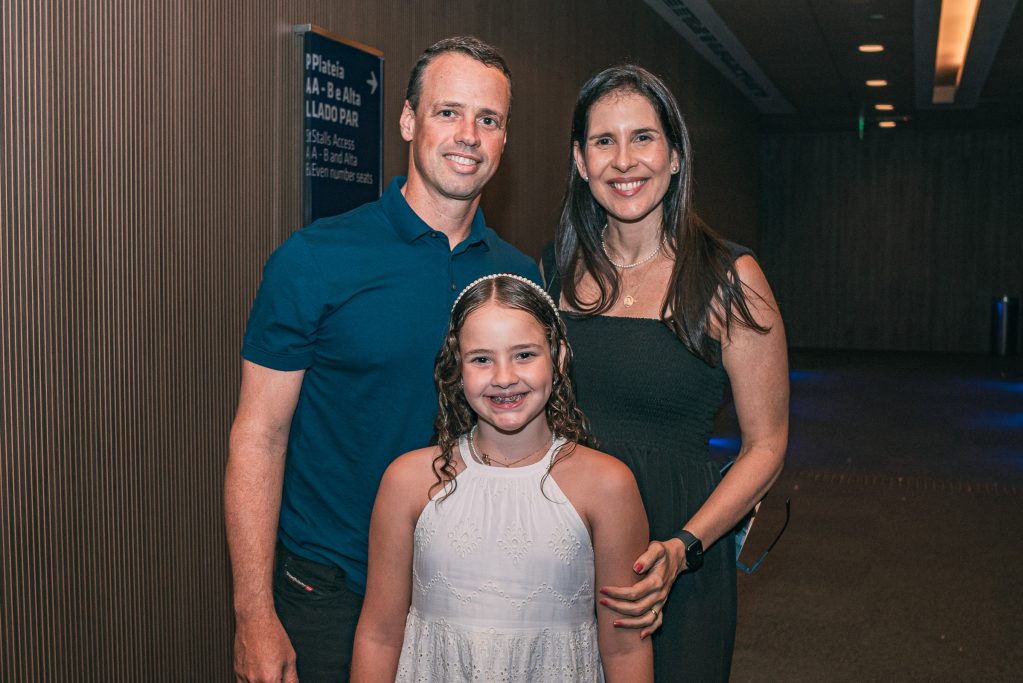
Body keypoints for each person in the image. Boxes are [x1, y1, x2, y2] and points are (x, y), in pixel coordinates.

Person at [225, 37, 540, 682]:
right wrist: (254, 613)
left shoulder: (520, 278)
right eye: (448, 112)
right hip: (330, 589)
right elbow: (259, 436)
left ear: (506, 139)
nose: (469, 136)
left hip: (470, 588)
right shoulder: (314, 260)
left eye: (489, 120)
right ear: (408, 121)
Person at [542, 65, 789, 681]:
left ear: (675, 156)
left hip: (676, 552)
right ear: (580, 159)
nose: (624, 161)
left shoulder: (731, 279)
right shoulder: (553, 274)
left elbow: (767, 445)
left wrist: (685, 546)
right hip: (562, 543)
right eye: (604, 142)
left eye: (643, 138)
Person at [351, 274, 653, 682]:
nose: (504, 377)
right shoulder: (408, 481)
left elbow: (625, 647)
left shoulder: (607, 485)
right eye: (481, 359)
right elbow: (380, 635)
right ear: (457, 370)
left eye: (525, 354)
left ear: (559, 356)